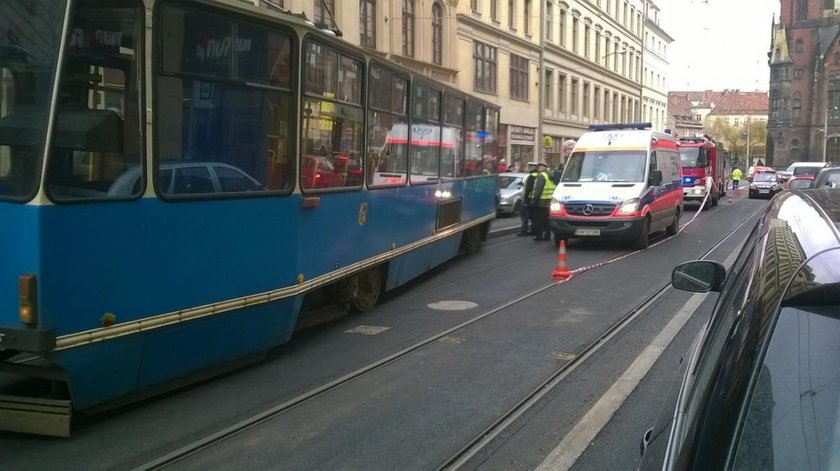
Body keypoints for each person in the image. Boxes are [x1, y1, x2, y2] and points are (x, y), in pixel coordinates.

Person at [531, 162, 556, 241]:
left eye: (538, 167)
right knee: (547, 220)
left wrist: (534, 201)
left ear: (541, 168)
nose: (538, 169)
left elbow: (538, 190)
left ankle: (539, 236)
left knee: (539, 220)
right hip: (550, 202)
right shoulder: (551, 176)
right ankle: (547, 236)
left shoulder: (541, 176)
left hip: (541, 202)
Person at [517, 162, 539, 236]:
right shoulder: (540, 176)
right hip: (536, 199)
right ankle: (533, 230)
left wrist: (525, 198)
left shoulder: (530, 177)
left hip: (528, 199)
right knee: (533, 216)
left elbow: (528, 188)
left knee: (524, 215)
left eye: (530, 167)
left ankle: (524, 231)